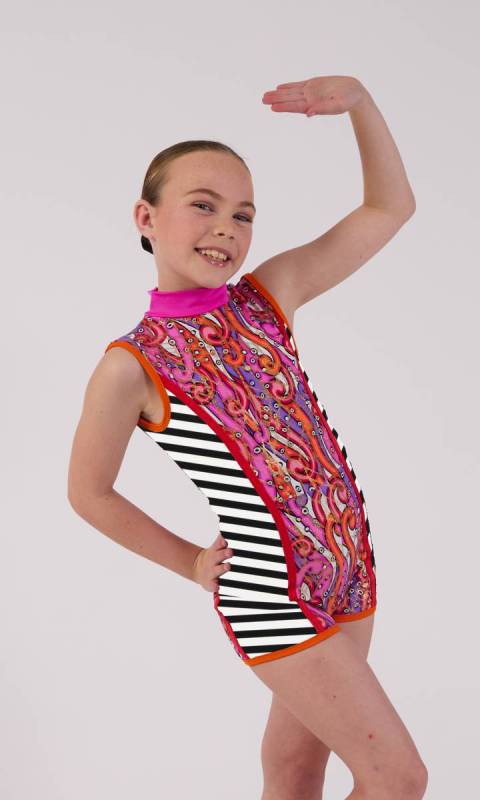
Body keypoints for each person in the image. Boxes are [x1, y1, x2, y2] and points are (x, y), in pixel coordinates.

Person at [68, 75, 428, 800]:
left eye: (243, 214)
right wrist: (191, 562)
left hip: (350, 568)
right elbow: (89, 494)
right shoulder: (130, 365)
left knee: (294, 773)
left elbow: (389, 208)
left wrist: (361, 104)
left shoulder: (269, 298)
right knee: (397, 778)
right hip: (273, 591)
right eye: (203, 206)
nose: (226, 228)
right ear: (146, 216)